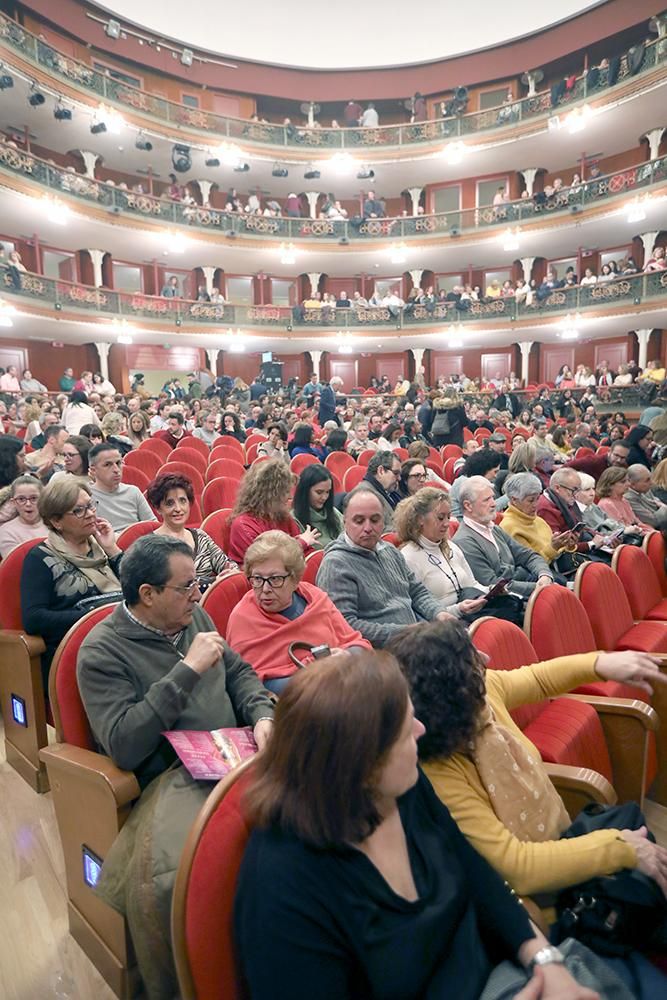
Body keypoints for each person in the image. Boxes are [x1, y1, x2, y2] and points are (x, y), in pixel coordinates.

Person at [236, 649, 599, 1000]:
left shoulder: (403, 788)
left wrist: (545, 960)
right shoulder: (283, 886)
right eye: (406, 728)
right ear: (360, 764)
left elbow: (475, 872)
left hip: (506, 975)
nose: (421, 729)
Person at [77, 533, 274, 998]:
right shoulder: (101, 651)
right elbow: (125, 745)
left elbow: (240, 673)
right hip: (174, 776)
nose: (198, 594)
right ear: (147, 594)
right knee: (175, 878)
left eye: (197, 584)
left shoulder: (191, 615)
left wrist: (263, 714)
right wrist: (185, 671)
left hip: (239, 750)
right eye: (187, 586)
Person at [391, 619, 667, 941]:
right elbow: (518, 868)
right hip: (547, 908)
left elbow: (538, 678)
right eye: (470, 658)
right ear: (452, 691)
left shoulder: (483, 694)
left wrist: (600, 662)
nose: (486, 659)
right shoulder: (441, 770)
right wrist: (621, 848)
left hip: (566, 847)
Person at [227, 531, 369, 693]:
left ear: (295, 579)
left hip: (343, 687)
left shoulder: (315, 598)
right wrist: (314, 677)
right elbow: (247, 685)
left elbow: (357, 643)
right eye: (257, 579)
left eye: (275, 579)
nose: (265, 589)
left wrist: (346, 656)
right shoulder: (243, 618)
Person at [316, 488, 453, 645]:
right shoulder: (336, 564)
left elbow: (417, 592)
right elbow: (344, 625)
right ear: (345, 522)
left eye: (375, 520)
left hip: (414, 639)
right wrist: (403, 632)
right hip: (380, 653)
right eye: (359, 521)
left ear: (383, 522)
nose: (368, 528)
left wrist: (439, 612)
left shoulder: (389, 550)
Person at [21, 478, 122, 685]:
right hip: (76, 650)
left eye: (91, 505)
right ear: (56, 521)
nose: (91, 514)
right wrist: (93, 618)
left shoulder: (101, 547)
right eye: (79, 510)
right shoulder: (40, 558)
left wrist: (112, 550)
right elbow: (34, 619)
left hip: (119, 638)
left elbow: (137, 587)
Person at [394, 488, 490, 619]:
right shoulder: (408, 557)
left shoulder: (452, 547)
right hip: (443, 625)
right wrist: (458, 610)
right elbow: (419, 611)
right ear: (420, 519)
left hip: (471, 612)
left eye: (448, 517)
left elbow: (472, 585)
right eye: (440, 518)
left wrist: (491, 591)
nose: (446, 524)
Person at [454, 477, 554, 597]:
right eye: (486, 500)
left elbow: (528, 555)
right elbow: (493, 584)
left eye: (492, 498)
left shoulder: (494, 529)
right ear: (468, 506)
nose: (493, 504)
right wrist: (539, 587)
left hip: (523, 586)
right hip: (505, 600)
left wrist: (544, 575)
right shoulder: (465, 541)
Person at [147, 472, 237, 583]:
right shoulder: (151, 546)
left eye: (182, 501)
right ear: (158, 508)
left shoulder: (201, 536)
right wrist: (212, 581)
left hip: (206, 599)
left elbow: (227, 565)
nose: (178, 508)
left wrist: (230, 572)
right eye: (170, 503)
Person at [228, 458, 319, 564]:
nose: (290, 496)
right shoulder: (243, 525)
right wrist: (301, 543)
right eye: (285, 492)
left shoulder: (282, 516)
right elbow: (266, 562)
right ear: (269, 494)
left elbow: (305, 554)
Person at [501, 473, 574, 565]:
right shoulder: (509, 527)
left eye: (538, 498)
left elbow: (558, 552)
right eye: (531, 500)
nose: (536, 504)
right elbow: (532, 564)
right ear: (514, 500)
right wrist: (554, 547)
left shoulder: (538, 520)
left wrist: (567, 544)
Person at [536, 468, 606, 556]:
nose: (575, 494)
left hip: (579, 546)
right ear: (557, 488)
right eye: (573, 490)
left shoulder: (564, 500)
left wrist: (604, 538)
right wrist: (590, 544)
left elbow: (580, 527)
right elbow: (560, 546)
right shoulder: (545, 508)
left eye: (578, 490)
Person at [88, 443, 157, 533]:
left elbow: (153, 525)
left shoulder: (133, 491)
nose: (116, 470)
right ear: (93, 470)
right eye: (108, 465)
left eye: (118, 463)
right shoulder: (87, 497)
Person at [292, 464, 343, 548]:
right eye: (319, 492)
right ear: (305, 491)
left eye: (327, 492)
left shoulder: (334, 513)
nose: (324, 497)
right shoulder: (294, 520)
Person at [0, 475, 46, 558]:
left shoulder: (55, 524)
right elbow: (15, 563)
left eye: (34, 498)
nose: (28, 504)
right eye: (21, 499)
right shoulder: (6, 531)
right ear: (13, 502)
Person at [596, 468, 652, 534]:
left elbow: (638, 522)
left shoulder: (623, 500)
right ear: (610, 485)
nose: (628, 484)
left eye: (628, 480)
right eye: (623, 482)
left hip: (637, 534)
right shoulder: (606, 504)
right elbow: (620, 530)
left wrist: (653, 532)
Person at [361, 451, 402, 528]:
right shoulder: (364, 496)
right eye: (396, 473)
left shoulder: (390, 492)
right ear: (381, 471)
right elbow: (376, 529)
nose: (399, 478)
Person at [624, 464, 667, 531]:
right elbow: (654, 521)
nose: (651, 482)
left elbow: (657, 503)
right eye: (647, 480)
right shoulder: (629, 498)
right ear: (632, 484)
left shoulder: (645, 489)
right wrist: (664, 507)